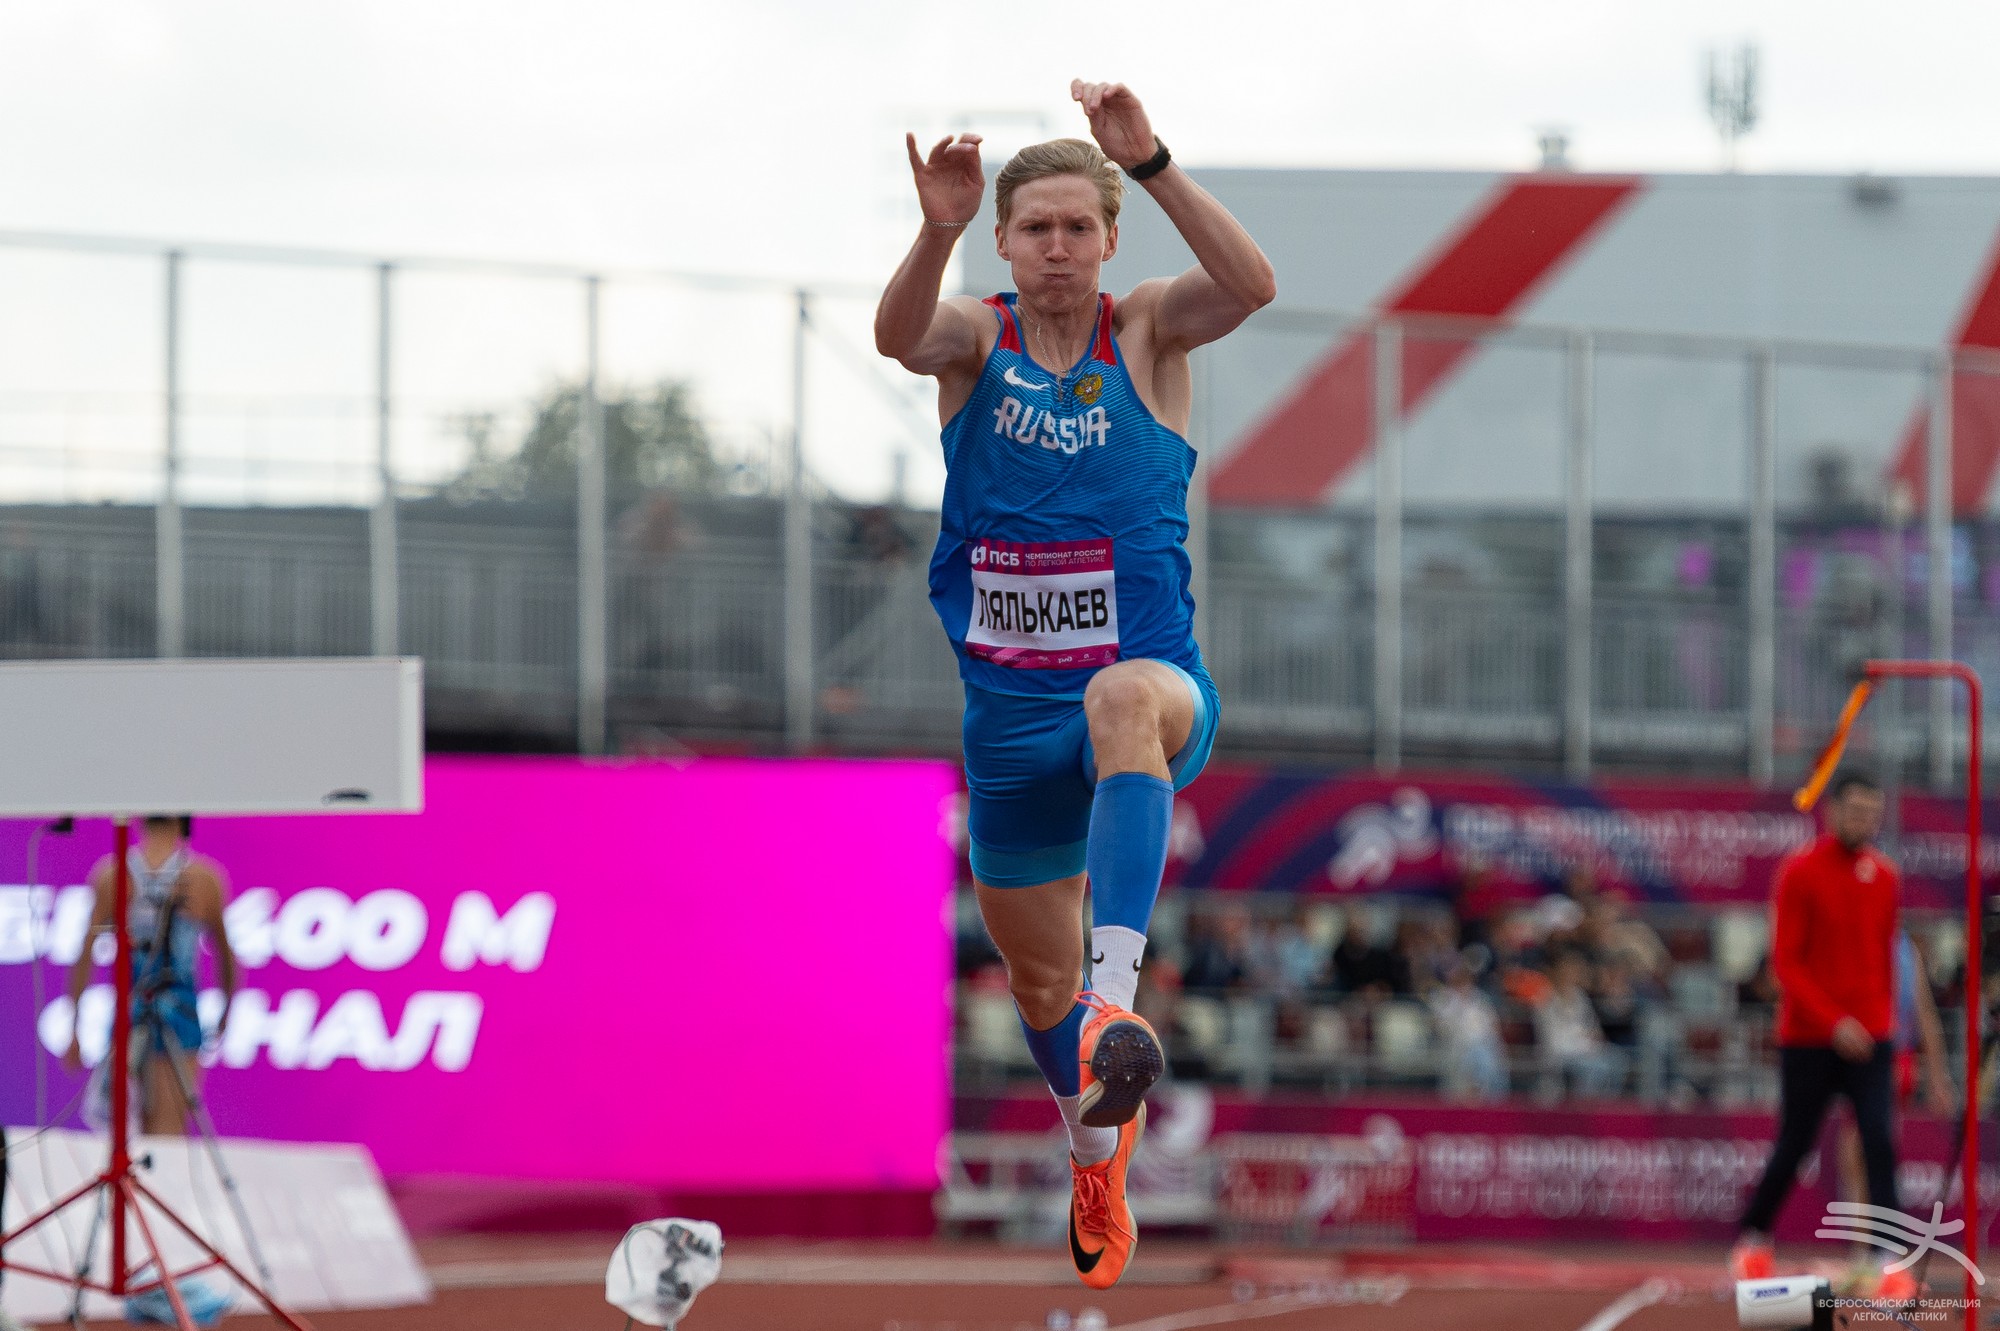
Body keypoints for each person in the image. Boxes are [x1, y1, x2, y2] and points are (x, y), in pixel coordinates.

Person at [876, 78, 1274, 1290]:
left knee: (1117, 700)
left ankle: (1118, 1001)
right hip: (1008, 725)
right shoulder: (975, 338)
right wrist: (935, 226)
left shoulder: (1145, 329)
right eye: (1035, 227)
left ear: (1107, 239)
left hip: (1150, 691)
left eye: (1077, 227)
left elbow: (1251, 285)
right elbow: (897, 337)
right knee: (1033, 980)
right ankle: (1093, 1149)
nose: (1056, 246)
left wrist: (1149, 160)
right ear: (1004, 240)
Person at [1729, 771, 1914, 1303]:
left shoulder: (1886, 876)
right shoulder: (1799, 871)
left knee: (1879, 1139)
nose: (1864, 820)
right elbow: (1785, 963)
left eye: (1872, 812)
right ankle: (1753, 1238)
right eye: (1855, 809)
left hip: (1873, 1037)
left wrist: (1892, 1035)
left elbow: (1886, 962)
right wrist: (1835, 1023)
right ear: (1832, 811)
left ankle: (1886, 1259)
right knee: (1796, 1142)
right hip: (1810, 1038)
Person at [64, 815, 240, 1136]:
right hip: (178, 1013)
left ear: (139, 820)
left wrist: (74, 1028)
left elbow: (85, 955)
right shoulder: (203, 877)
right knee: (166, 1134)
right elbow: (226, 957)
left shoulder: (112, 875)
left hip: (130, 1013)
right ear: (183, 822)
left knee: (121, 1133)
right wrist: (227, 1011)